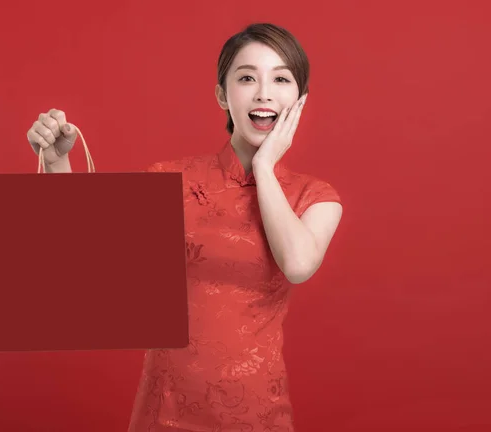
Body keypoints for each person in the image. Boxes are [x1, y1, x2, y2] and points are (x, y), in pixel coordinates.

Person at [26, 22, 343, 432]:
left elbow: (298, 264)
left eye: (281, 79)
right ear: (221, 94)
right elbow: (85, 255)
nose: (264, 92)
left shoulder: (314, 196)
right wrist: (55, 162)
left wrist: (264, 166)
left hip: (256, 414)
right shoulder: (169, 179)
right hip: (165, 413)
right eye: (246, 77)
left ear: (299, 100)